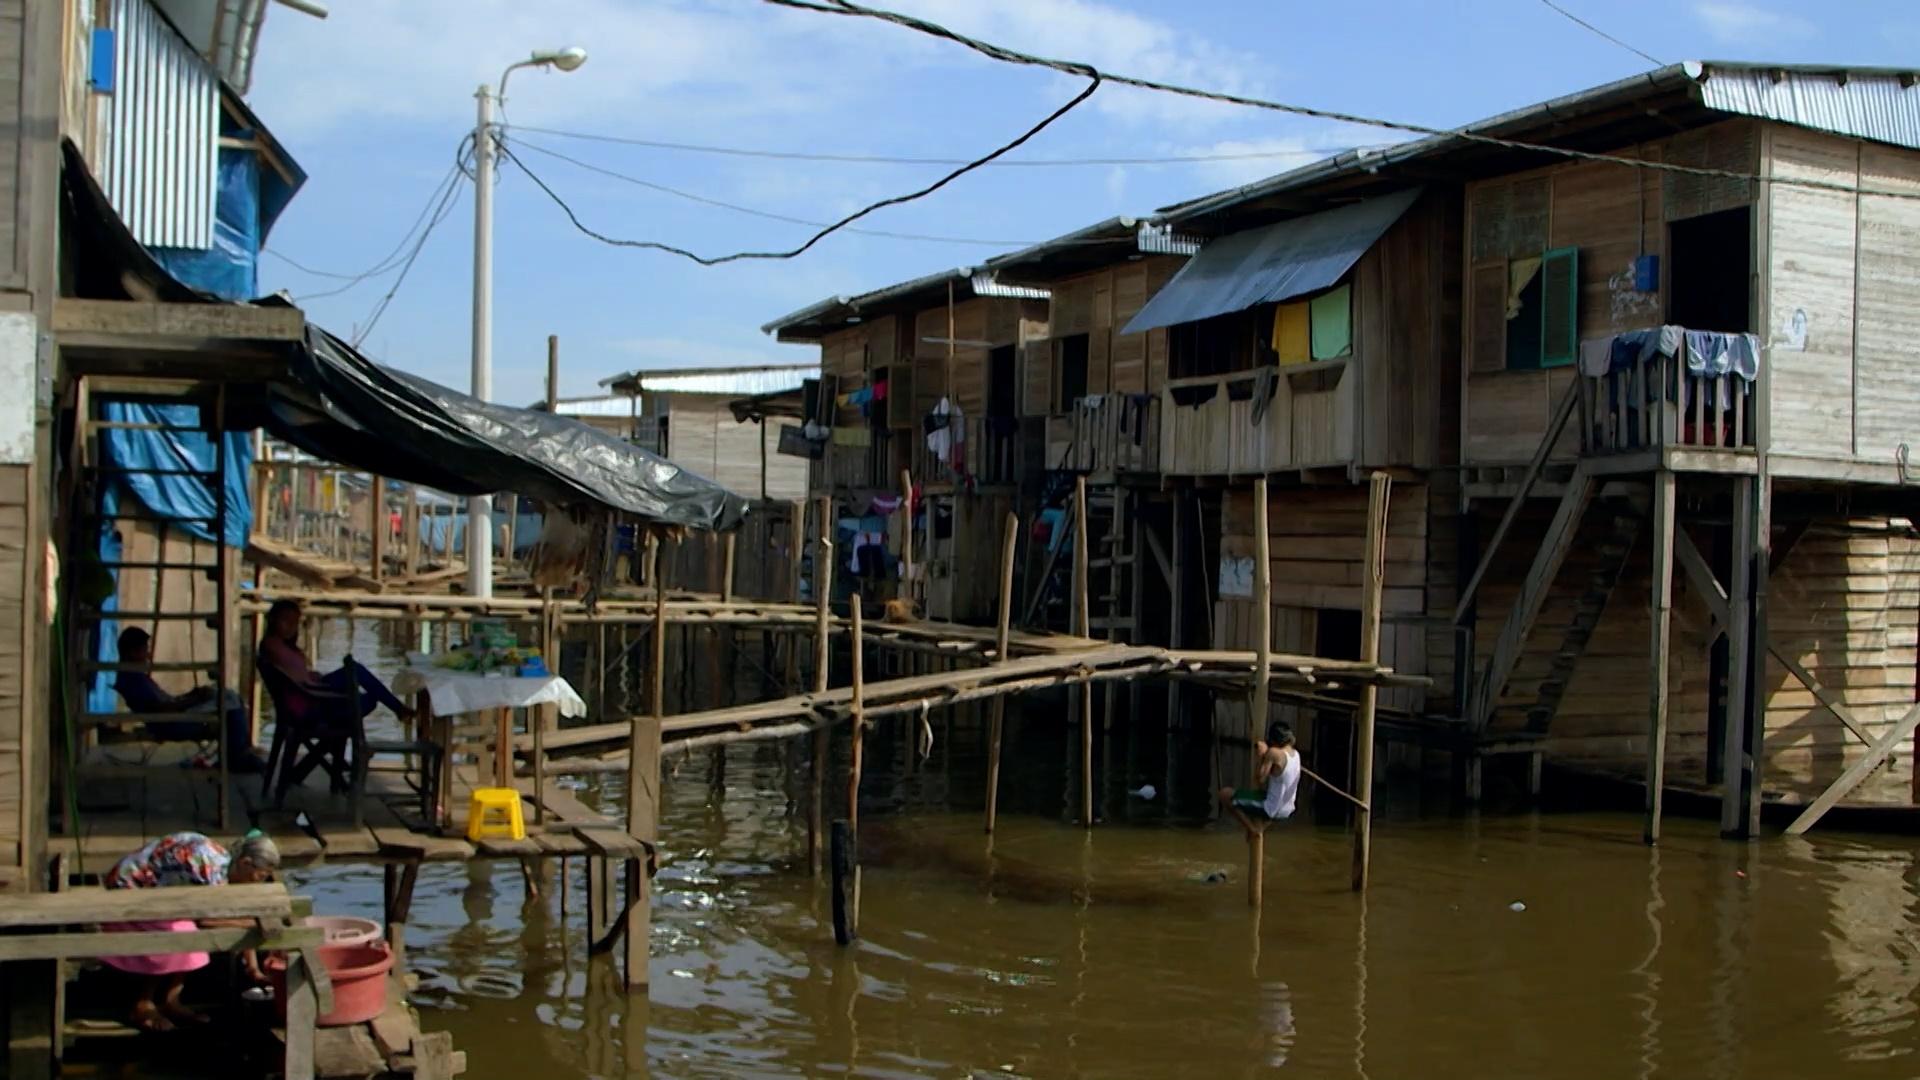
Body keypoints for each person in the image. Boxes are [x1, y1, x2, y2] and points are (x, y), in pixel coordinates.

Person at [101, 830, 281, 1032]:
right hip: (129, 889)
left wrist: (253, 969)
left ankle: (171, 1000)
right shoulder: (209, 865)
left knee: (187, 929)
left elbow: (240, 913)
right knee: (183, 933)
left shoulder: (224, 862)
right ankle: (143, 1003)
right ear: (245, 863)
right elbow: (207, 919)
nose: (258, 881)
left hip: (161, 894)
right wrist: (247, 925)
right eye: (260, 876)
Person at [113, 627, 268, 774]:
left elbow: (166, 702)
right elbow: (162, 708)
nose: (147, 654)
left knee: (229, 698)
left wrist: (191, 695)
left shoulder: (135, 676)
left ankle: (239, 753)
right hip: (174, 724)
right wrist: (194, 699)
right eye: (144, 650)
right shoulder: (134, 680)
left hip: (177, 717)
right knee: (232, 706)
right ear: (132, 653)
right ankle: (237, 758)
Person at [1218, 722, 1301, 830]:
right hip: (1287, 809)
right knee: (1254, 798)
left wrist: (1261, 756)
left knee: (1224, 794)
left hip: (1271, 808)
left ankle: (1252, 830)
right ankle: (1258, 829)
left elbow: (1260, 779)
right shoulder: (1296, 754)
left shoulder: (1274, 753)